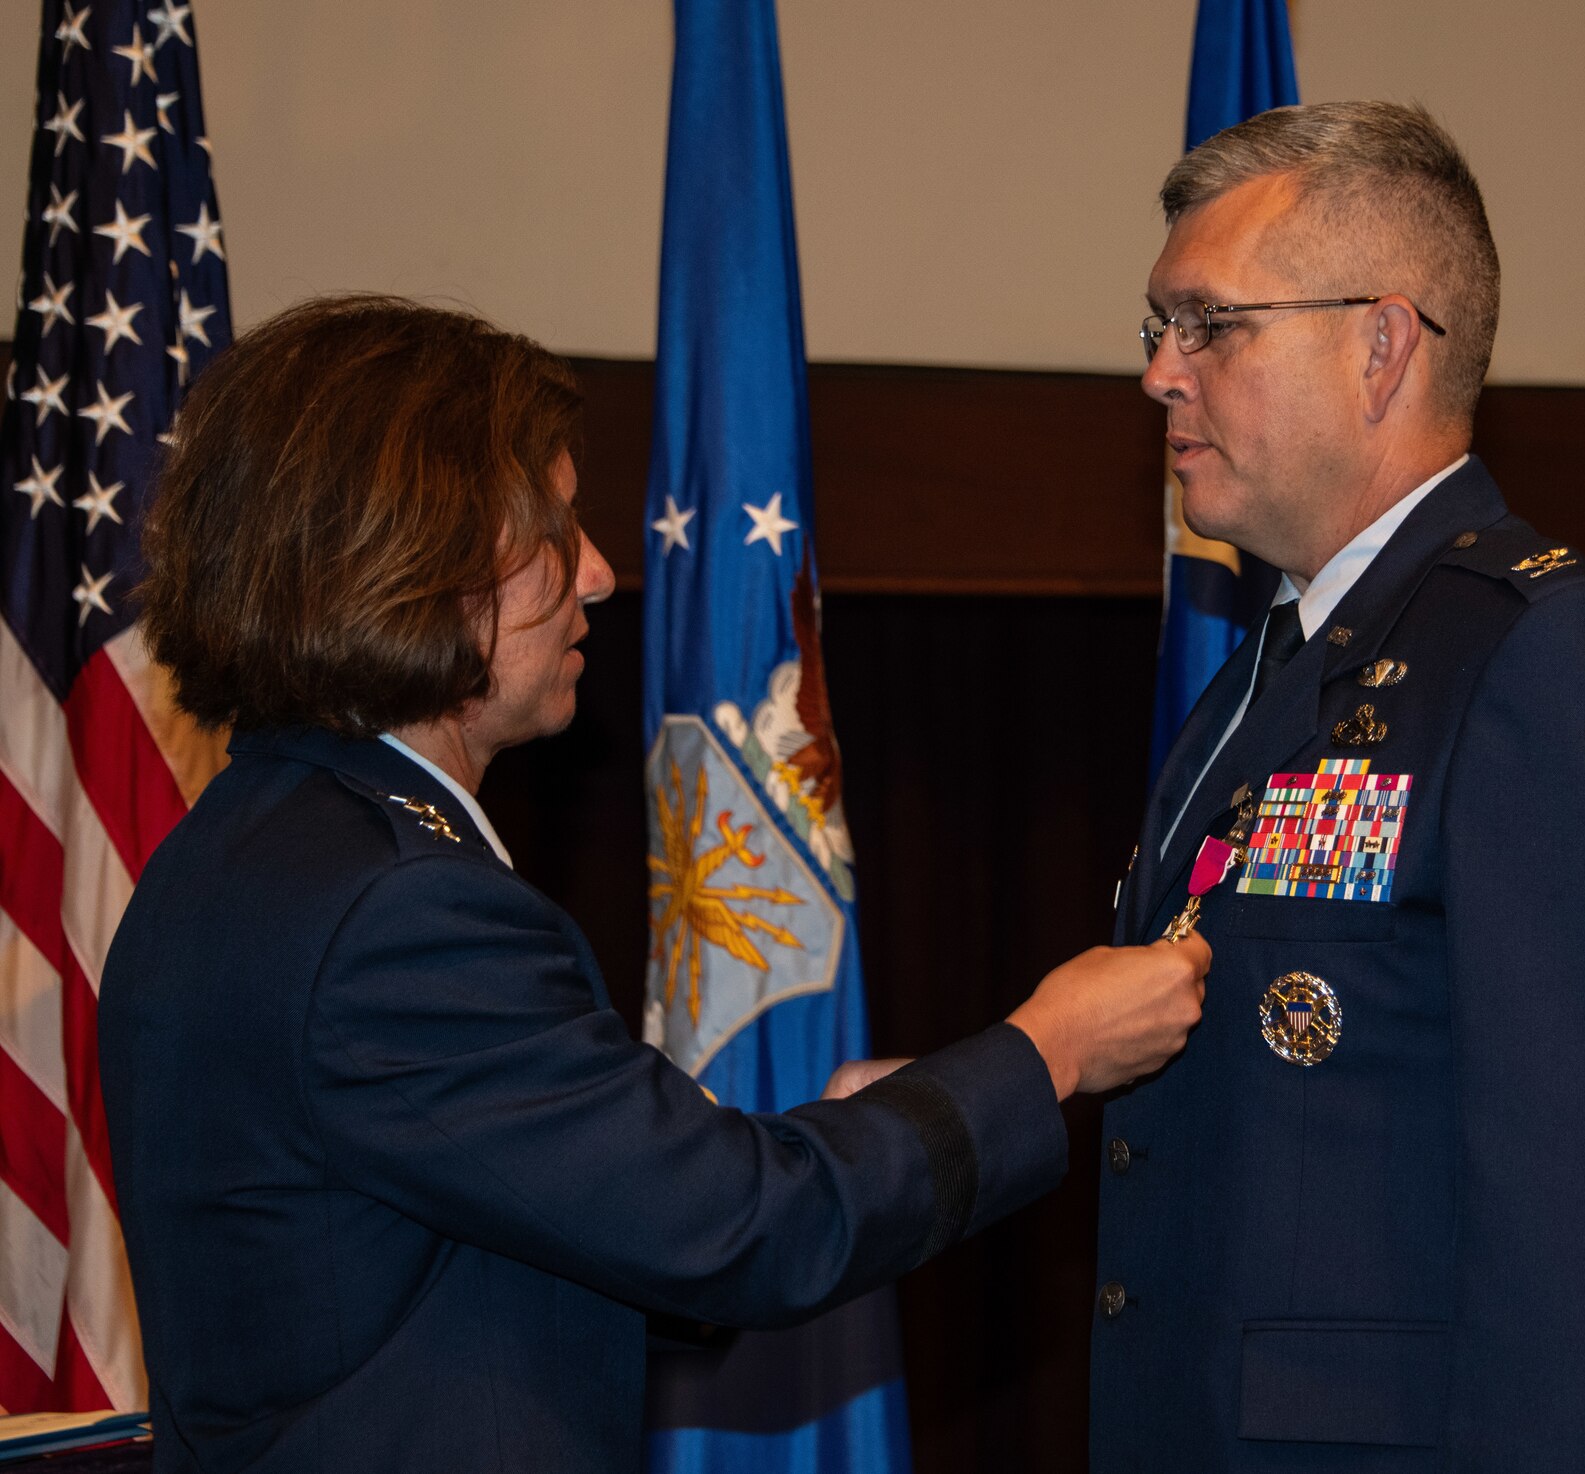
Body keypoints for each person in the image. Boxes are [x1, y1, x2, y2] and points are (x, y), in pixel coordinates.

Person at [96, 295, 1209, 1474]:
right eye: (553, 528)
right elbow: (747, 1230)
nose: (597, 574)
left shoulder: (246, 846)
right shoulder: (395, 907)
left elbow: (516, 1228)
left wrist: (839, 1130)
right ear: (409, 557)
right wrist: (1051, 1047)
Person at [1093, 103, 1585, 1470]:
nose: (1160, 373)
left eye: (1209, 324)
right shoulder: (1270, 664)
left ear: (1381, 345)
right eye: (1156, 327)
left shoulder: (1537, 653)